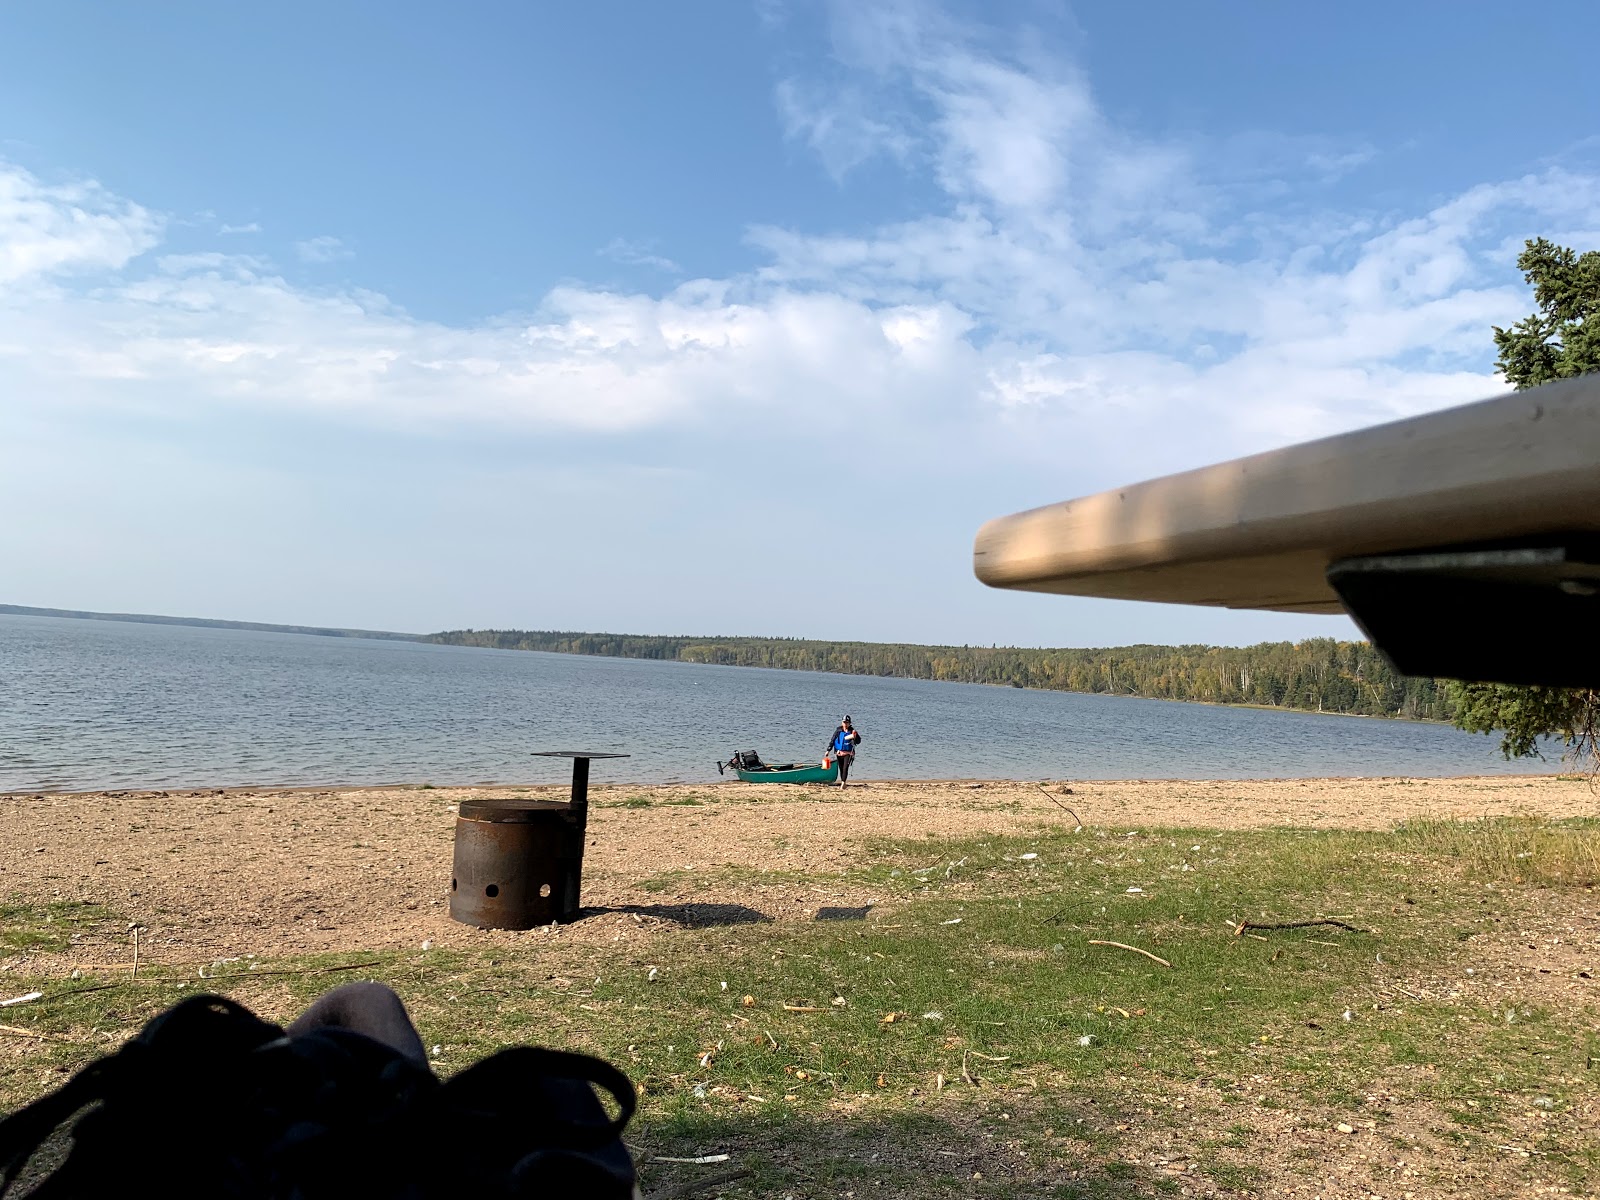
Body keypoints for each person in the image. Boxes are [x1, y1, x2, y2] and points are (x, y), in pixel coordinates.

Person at [827, 715, 862, 788]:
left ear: (849, 723)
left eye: (847, 723)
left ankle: (843, 783)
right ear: (842, 722)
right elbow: (833, 740)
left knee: (845, 768)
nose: (845, 724)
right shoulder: (838, 730)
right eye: (844, 722)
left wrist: (855, 736)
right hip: (839, 752)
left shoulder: (852, 731)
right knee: (841, 768)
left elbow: (858, 741)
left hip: (848, 753)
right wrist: (828, 750)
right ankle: (843, 782)